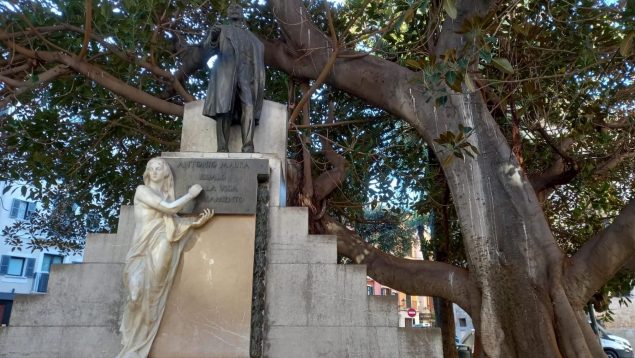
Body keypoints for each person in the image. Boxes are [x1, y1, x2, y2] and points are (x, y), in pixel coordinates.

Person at [116, 158, 214, 358]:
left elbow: (172, 223)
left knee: (153, 294)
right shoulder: (142, 191)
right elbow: (169, 209)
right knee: (135, 293)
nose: (153, 171)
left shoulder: (167, 195)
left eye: (158, 168)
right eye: (150, 168)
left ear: (166, 173)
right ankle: (130, 342)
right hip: (141, 249)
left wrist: (194, 224)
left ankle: (139, 347)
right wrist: (190, 195)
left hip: (162, 244)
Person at [202, 3, 265, 153]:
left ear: (243, 14)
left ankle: (248, 146)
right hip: (226, 74)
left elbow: (257, 59)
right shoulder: (221, 30)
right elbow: (207, 49)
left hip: (246, 76)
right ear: (227, 14)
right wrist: (213, 36)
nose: (234, 10)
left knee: (249, 107)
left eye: (238, 8)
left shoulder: (252, 38)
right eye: (231, 8)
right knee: (224, 109)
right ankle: (222, 147)